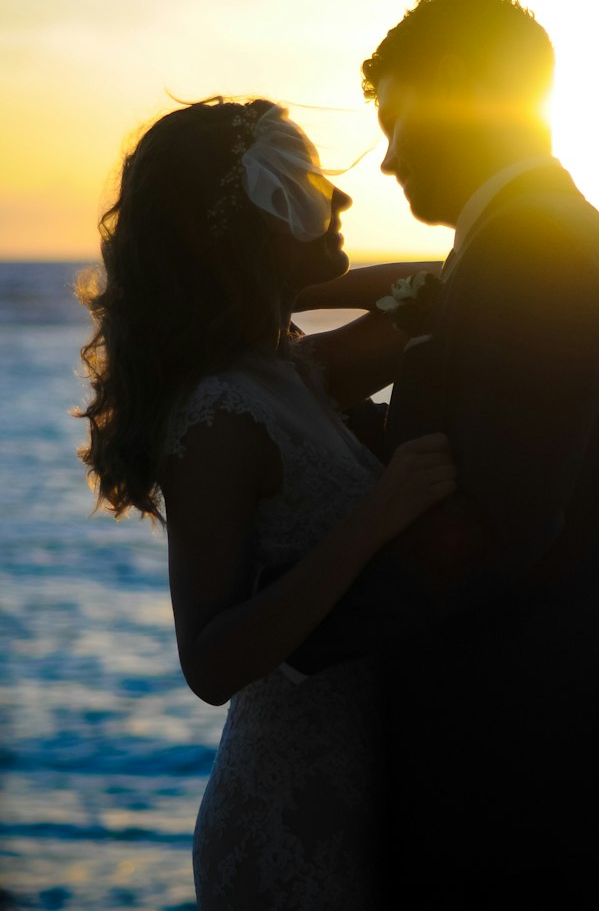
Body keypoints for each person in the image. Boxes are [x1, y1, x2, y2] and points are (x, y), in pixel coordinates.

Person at [288, 0, 599, 908]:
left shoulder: (533, 251)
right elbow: (454, 345)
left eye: (395, 122)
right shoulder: (519, 240)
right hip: (536, 761)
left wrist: (296, 632)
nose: (386, 160)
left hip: (525, 771)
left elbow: (494, 530)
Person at [75, 97, 456, 909]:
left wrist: (292, 279)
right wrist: (377, 516)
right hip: (289, 816)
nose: (340, 200)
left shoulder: (288, 371)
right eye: (304, 187)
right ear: (244, 222)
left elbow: (442, 292)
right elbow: (210, 663)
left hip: (374, 792)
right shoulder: (218, 414)